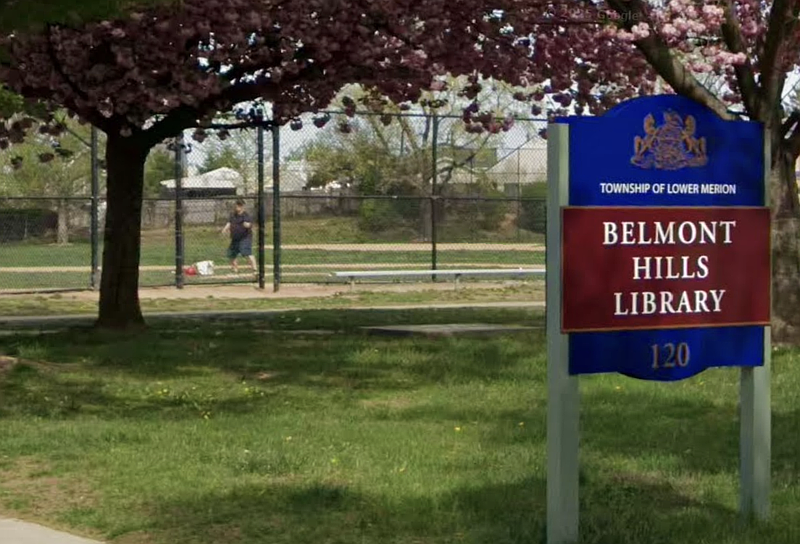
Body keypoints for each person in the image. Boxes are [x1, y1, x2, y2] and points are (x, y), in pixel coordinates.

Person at [221, 199, 256, 275]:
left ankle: (254, 270)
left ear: (243, 207)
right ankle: (235, 270)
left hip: (244, 237)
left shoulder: (245, 215)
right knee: (232, 254)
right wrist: (225, 229)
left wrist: (248, 225)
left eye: (239, 205)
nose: (237, 207)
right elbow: (230, 222)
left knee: (246, 253)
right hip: (235, 238)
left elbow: (249, 224)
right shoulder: (233, 215)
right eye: (237, 205)